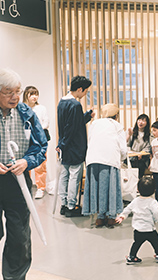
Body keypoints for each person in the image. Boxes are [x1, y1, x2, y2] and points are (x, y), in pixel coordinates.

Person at [0, 68, 47, 280]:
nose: (14, 97)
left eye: (17, 91)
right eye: (8, 91)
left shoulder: (27, 114)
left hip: (18, 182)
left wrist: (27, 161)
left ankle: (15, 277)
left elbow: (41, 147)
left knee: (19, 236)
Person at [82, 104, 127, 228]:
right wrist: (122, 159)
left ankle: (100, 218)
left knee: (97, 188)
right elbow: (123, 148)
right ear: (116, 115)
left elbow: (90, 140)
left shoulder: (94, 124)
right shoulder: (117, 126)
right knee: (111, 187)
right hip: (110, 158)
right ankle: (111, 217)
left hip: (93, 159)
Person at [56, 76, 95, 217]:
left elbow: (70, 124)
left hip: (65, 146)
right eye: (85, 91)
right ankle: (72, 207)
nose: (85, 94)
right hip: (75, 146)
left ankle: (64, 204)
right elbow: (73, 128)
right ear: (79, 89)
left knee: (64, 176)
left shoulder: (62, 102)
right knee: (74, 177)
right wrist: (64, 144)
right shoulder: (75, 105)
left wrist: (61, 145)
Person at [116, 176, 158, 265]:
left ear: (138, 189)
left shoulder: (135, 201)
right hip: (149, 229)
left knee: (136, 243)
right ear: (154, 190)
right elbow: (156, 213)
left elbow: (128, 209)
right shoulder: (153, 202)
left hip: (138, 229)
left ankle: (131, 257)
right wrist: (156, 220)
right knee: (156, 241)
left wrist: (122, 216)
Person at [23, 86, 50, 199]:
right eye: (32, 94)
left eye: (36, 94)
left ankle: (41, 188)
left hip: (40, 139)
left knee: (40, 165)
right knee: (26, 164)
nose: (35, 96)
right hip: (26, 141)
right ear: (26, 95)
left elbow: (46, 123)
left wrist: (35, 130)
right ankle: (26, 187)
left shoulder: (41, 108)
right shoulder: (22, 108)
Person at [127, 114, 151, 179]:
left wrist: (141, 153)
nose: (140, 122)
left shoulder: (148, 135)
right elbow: (127, 145)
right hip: (131, 158)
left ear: (147, 123)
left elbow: (148, 147)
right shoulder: (132, 131)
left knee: (140, 166)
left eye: (143, 121)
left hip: (142, 159)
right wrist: (129, 135)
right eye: (139, 120)